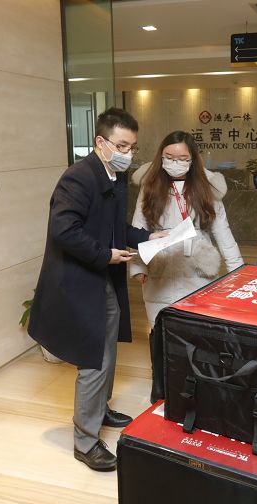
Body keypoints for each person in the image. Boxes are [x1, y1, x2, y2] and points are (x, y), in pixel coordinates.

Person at [29, 107, 162, 472]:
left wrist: (148, 237)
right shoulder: (78, 177)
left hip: (101, 276)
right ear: (101, 142)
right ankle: (85, 441)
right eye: (122, 146)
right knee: (94, 357)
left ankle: (99, 408)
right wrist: (105, 254)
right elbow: (63, 230)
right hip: (80, 281)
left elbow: (115, 227)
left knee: (107, 348)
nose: (128, 154)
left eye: (132, 147)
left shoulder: (113, 177)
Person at [129, 130, 243, 325]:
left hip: (198, 269)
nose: (175, 163)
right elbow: (138, 227)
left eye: (182, 159)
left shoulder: (208, 188)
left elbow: (223, 232)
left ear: (192, 160)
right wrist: (138, 266)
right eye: (169, 157)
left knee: (198, 331)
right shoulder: (149, 186)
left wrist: (238, 273)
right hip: (160, 268)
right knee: (161, 330)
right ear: (161, 157)